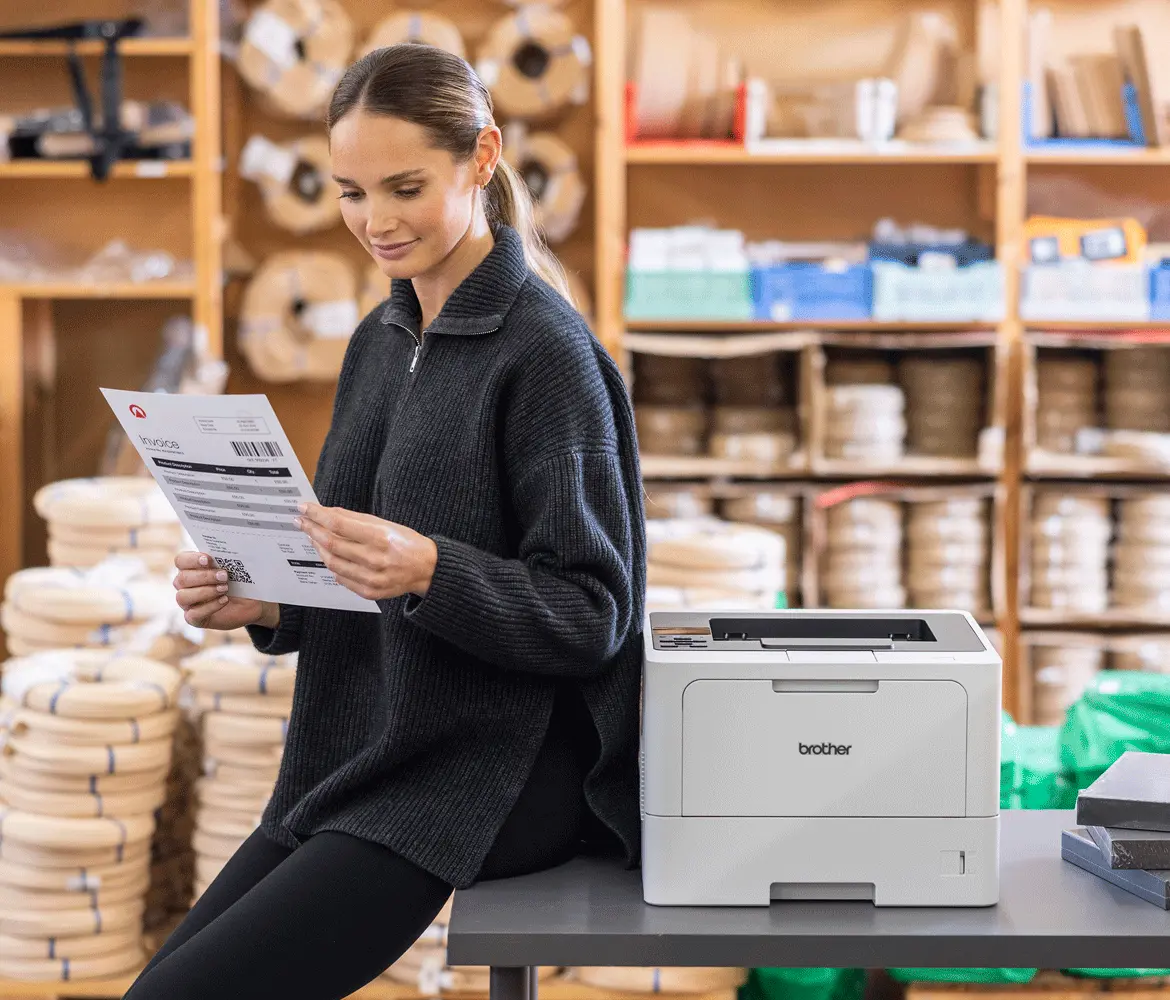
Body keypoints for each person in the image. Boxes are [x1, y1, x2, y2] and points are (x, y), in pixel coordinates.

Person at [123, 43, 646, 1000]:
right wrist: (266, 605)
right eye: (351, 193)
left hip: (488, 771)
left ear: (482, 159)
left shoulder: (550, 357)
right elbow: (347, 566)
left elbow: (595, 614)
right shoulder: (381, 337)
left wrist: (432, 572)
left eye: (403, 187)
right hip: (357, 749)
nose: (375, 221)